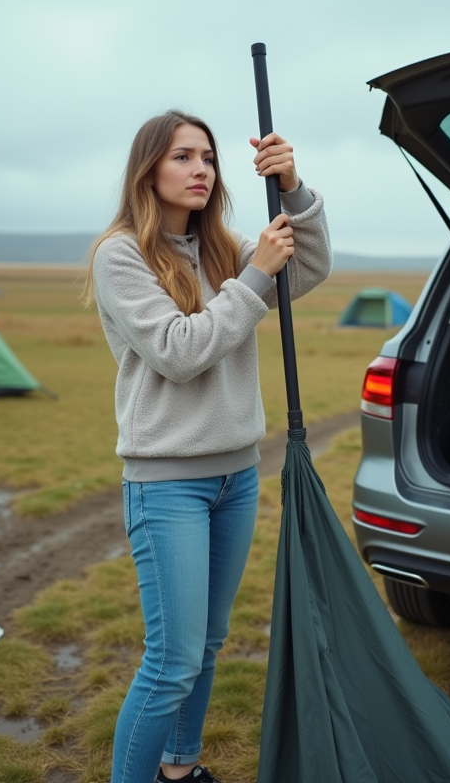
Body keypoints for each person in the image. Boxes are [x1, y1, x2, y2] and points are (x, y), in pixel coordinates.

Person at [82, 109, 331, 783]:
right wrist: (254, 278)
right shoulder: (121, 254)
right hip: (166, 484)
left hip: (236, 476)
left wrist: (295, 187)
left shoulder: (221, 245)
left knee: (208, 646)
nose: (200, 170)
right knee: (170, 663)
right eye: (182, 157)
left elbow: (306, 269)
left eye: (208, 158)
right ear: (149, 170)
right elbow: (176, 351)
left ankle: (179, 770)